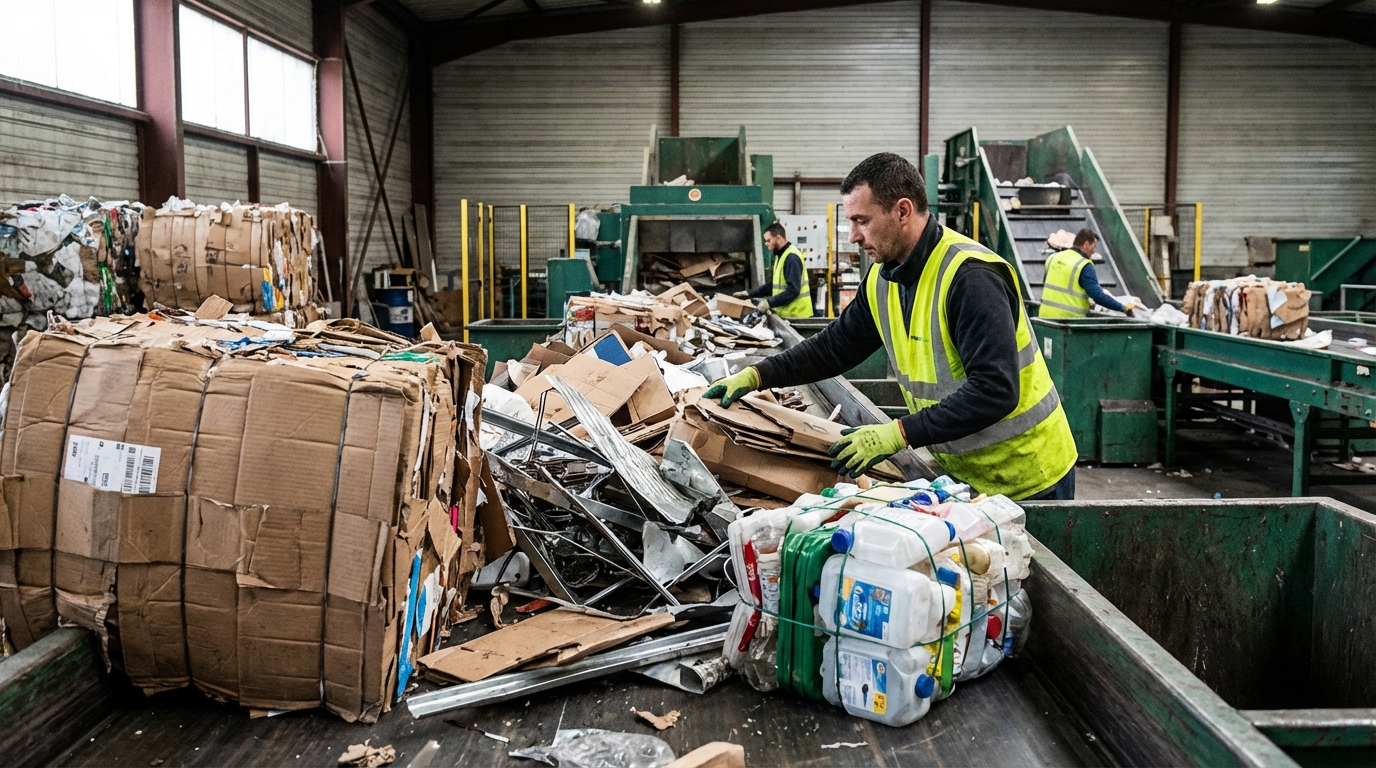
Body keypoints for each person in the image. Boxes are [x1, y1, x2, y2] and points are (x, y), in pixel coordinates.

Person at [705, 152, 1078, 500]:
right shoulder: (884, 278)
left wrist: (898, 434)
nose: (852, 236)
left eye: (861, 221)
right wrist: (756, 375)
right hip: (967, 478)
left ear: (903, 211)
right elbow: (836, 346)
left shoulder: (970, 278)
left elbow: (996, 390)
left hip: (1029, 476)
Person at [1038, 228, 1137, 318]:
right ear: (1086, 244)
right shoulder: (1083, 265)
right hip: (1069, 321)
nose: (1094, 251)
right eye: (1093, 246)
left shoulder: (1053, 258)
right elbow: (1098, 296)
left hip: (1045, 317)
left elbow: (1052, 287)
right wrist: (1123, 308)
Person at [732, 222, 812, 318]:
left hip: (798, 316)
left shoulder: (791, 257)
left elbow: (793, 290)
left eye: (768, 240)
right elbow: (772, 286)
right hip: (786, 315)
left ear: (778, 238)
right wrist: (749, 293)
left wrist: (769, 303)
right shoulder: (780, 256)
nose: (766, 244)